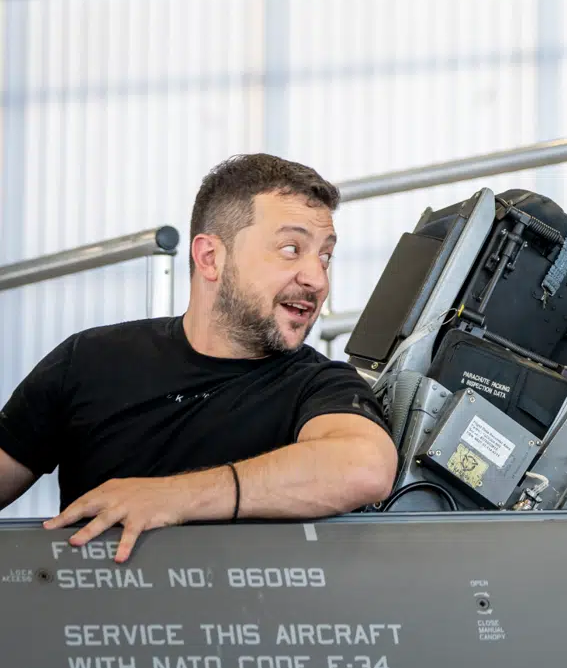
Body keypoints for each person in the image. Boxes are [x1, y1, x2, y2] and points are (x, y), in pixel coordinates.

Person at [0, 153, 397, 562]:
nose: (317, 278)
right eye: (291, 248)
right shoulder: (88, 360)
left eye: (325, 256)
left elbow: (364, 466)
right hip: (91, 620)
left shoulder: (321, 384)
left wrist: (171, 498)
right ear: (210, 258)